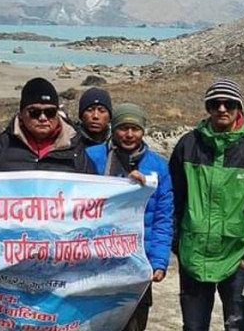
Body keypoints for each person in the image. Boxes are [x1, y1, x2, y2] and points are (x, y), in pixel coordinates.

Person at [168, 78, 244, 331]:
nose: (221, 109)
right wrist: (179, 244)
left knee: (238, 327)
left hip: (238, 258)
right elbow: (173, 199)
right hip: (193, 256)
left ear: (239, 107)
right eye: (214, 104)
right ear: (207, 108)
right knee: (193, 328)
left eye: (228, 103)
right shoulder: (188, 145)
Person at [85, 103, 173, 331]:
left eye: (135, 128)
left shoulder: (157, 166)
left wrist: (159, 260)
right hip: (96, 261)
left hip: (138, 263)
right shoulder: (92, 157)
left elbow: (163, 217)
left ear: (143, 131)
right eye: (123, 128)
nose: (130, 134)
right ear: (114, 129)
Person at [0, 77, 96, 173]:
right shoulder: (0, 147)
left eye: (50, 112)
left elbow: (93, 191)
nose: (43, 118)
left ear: (58, 113)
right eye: (35, 112)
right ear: (21, 113)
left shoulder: (75, 148)